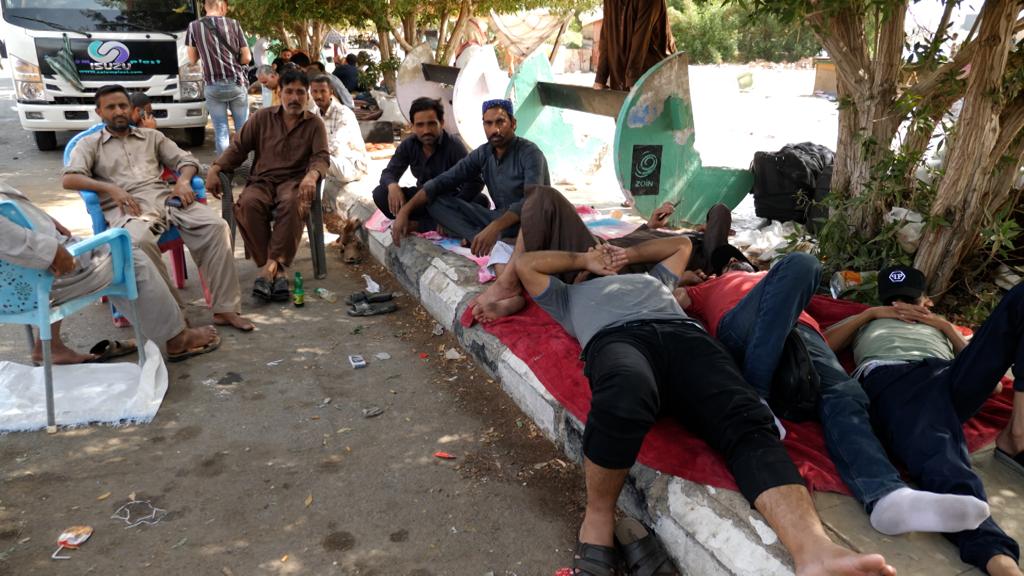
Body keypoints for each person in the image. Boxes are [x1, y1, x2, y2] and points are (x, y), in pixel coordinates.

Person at [515, 237, 896, 576]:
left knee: (747, 417)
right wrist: (585, 261)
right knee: (624, 392)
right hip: (619, 340)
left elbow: (680, 244)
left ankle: (814, 550)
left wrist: (625, 253)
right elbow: (526, 263)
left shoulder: (655, 281)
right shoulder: (567, 297)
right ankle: (597, 519)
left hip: (686, 340)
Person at [679, 249, 993, 539]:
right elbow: (668, 297)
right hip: (743, 328)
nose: (738, 264)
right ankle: (757, 397)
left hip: (803, 339)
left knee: (847, 393)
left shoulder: (780, 281)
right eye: (730, 263)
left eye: (741, 260)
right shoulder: (709, 287)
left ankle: (886, 497)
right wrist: (684, 278)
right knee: (802, 262)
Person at [825, 266, 1024, 576]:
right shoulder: (868, 318)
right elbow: (822, 345)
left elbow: (994, 385)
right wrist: (871, 314)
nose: (900, 307)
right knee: (940, 453)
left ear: (927, 300)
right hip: (894, 377)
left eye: (909, 300)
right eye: (894, 301)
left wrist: (944, 327)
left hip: (946, 378)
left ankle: (1018, 432)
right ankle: (997, 557)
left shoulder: (940, 327)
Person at [62, 84, 254, 333]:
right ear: (99, 112)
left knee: (216, 227)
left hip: (166, 199)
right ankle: (175, 317)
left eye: (123, 105)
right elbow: (70, 178)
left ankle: (225, 308)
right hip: (129, 210)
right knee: (138, 244)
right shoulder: (89, 145)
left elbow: (186, 160)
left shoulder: (152, 137)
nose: (118, 111)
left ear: (131, 109)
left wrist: (183, 181)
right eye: (111, 107)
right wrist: (111, 189)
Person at [1, 182, 221, 363]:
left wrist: (43, 220)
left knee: (113, 249)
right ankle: (177, 339)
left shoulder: (151, 137)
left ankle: (50, 345)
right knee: (126, 255)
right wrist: (51, 250)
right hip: (43, 281)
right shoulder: (89, 144)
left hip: (17, 284)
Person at [468, 191, 732, 323]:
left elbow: (719, 212)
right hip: (600, 249)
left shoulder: (704, 251)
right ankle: (515, 289)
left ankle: (509, 285)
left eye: (708, 227)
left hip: (611, 266)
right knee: (518, 236)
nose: (702, 226)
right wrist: (650, 226)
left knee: (544, 198)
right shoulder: (671, 232)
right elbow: (632, 240)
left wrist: (685, 276)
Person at [206, 68, 329, 303]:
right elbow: (238, 148)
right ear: (279, 92)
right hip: (262, 181)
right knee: (247, 204)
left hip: (294, 183)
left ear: (307, 96)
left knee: (294, 204)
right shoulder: (262, 118)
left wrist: (312, 175)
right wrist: (215, 168)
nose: (294, 98)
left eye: (300, 93)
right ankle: (277, 270)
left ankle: (266, 272)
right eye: (289, 92)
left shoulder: (314, 124)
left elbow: (321, 157)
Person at [391, 99, 550, 265]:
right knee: (435, 200)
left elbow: (531, 201)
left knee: (486, 212)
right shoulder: (483, 153)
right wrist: (405, 211)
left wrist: (494, 227)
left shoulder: (530, 153)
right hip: (497, 217)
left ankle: (489, 237)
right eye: (488, 123)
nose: (494, 129)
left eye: (500, 122)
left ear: (513, 123)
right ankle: (480, 238)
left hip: (529, 223)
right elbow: (442, 181)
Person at [373, 97, 486, 232]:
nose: (426, 130)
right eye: (420, 125)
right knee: (380, 193)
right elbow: (389, 172)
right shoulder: (409, 145)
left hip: (449, 200)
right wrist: (392, 186)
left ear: (441, 123)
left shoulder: (453, 146)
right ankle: (437, 224)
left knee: (481, 201)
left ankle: (421, 225)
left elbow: (475, 181)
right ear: (412, 126)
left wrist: (455, 204)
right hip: (421, 201)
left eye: (431, 124)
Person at [186, 0, 252, 155]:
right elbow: (247, 57)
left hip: (213, 85)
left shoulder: (194, 26)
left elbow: (192, 58)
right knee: (243, 129)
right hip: (236, 82)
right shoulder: (234, 24)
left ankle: (225, 171)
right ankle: (246, 168)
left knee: (221, 130)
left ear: (204, 7)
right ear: (222, 7)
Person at [309, 74, 368, 214]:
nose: (318, 96)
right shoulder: (313, 114)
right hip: (330, 164)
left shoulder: (344, 113)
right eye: (315, 92)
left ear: (331, 93)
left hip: (351, 165)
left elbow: (336, 144)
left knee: (314, 161)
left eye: (322, 91)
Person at [593, 0, 675, 91]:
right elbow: (606, 36)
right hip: (624, 75)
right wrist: (600, 79)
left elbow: (641, 39)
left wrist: (633, 80)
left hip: (653, 72)